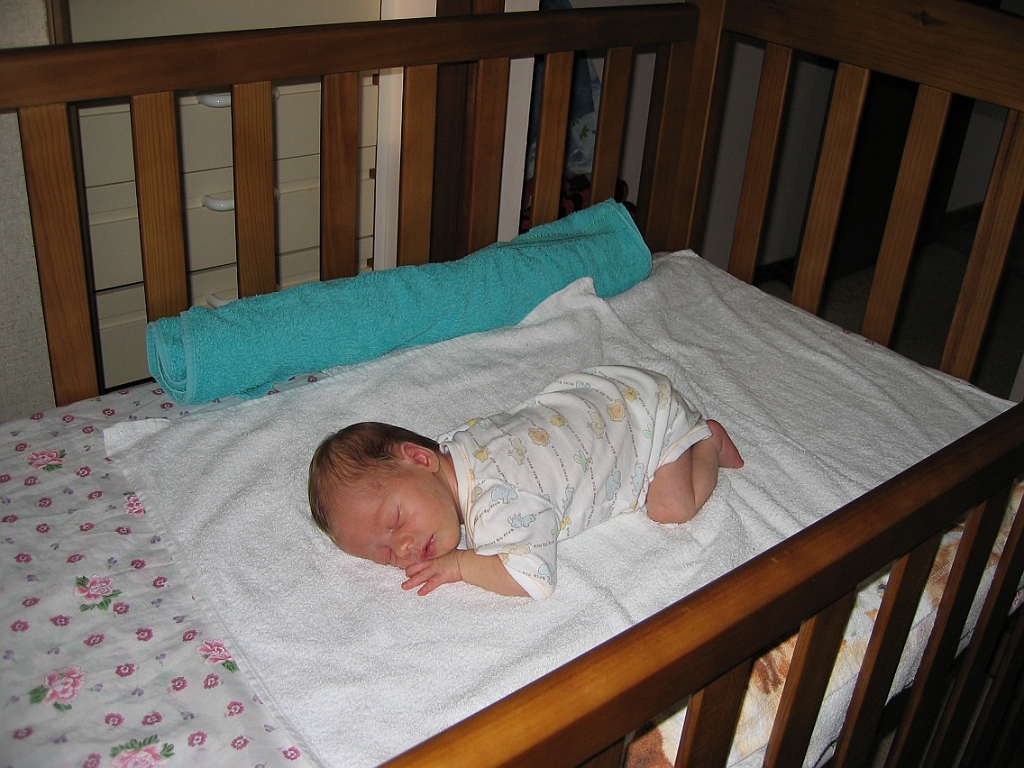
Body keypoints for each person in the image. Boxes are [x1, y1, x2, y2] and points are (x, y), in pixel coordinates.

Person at [308, 366, 743, 599]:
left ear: (420, 458)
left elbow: (532, 576)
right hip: (608, 392)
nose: (403, 548)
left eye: (395, 520)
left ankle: (707, 442)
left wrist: (461, 565)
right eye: (385, 554)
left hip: (648, 424)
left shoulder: (495, 505)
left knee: (671, 509)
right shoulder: (457, 449)